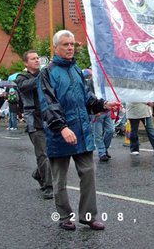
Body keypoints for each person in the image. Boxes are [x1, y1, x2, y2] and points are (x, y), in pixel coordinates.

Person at [37, 30, 119, 231]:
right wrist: (62, 127)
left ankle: (88, 216)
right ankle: (65, 216)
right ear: (55, 48)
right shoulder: (47, 73)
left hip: (81, 132)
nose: (70, 48)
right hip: (60, 134)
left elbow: (87, 99)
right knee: (60, 179)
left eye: (72, 44)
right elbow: (47, 104)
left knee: (89, 173)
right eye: (65, 44)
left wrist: (103, 105)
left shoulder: (77, 71)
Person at [16, 50, 53, 200]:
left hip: (49, 118)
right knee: (43, 154)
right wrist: (42, 76)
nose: (37, 60)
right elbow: (26, 86)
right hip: (34, 121)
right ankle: (49, 186)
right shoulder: (21, 78)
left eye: (38, 58)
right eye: (33, 59)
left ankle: (39, 173)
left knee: (52, 153)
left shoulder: (43, 75)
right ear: (26, 63)